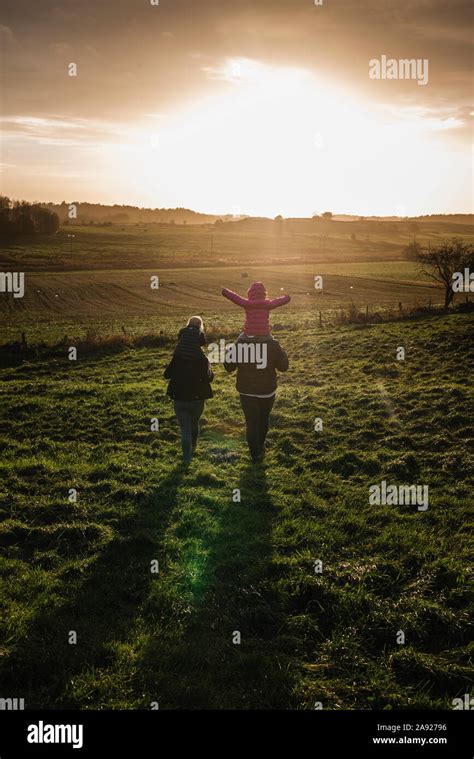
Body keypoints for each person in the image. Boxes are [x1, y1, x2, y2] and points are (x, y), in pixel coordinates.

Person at [224, 332, 289, 463]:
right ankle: (260, 445)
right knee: (263, 418)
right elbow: (283, 367)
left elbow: (229, 367)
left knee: (251, 421)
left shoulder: (239, 345)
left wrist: (229, 351)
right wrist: (281, 351)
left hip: (247, 391)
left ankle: (255, 453)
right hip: (267, 390)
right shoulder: (273, 344)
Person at [164, 316, 213, 463]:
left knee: (184, 428)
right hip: (197, 399)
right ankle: (193, 447)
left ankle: (186, 458)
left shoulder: (177, 357)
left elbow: (167, 375)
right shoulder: (202, 360)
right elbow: (209, 378)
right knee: (194, 423)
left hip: (179, 398)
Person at [221, 282, 290, 337]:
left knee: (236, 348)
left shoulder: (247, 304)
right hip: (264, 333)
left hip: (249, 333)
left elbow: (235, 297)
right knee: (278, 348)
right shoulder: (267, 304)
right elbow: (279, 301)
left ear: (250, 293)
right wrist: (287, 297)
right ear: (264, 293)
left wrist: (225, 291)